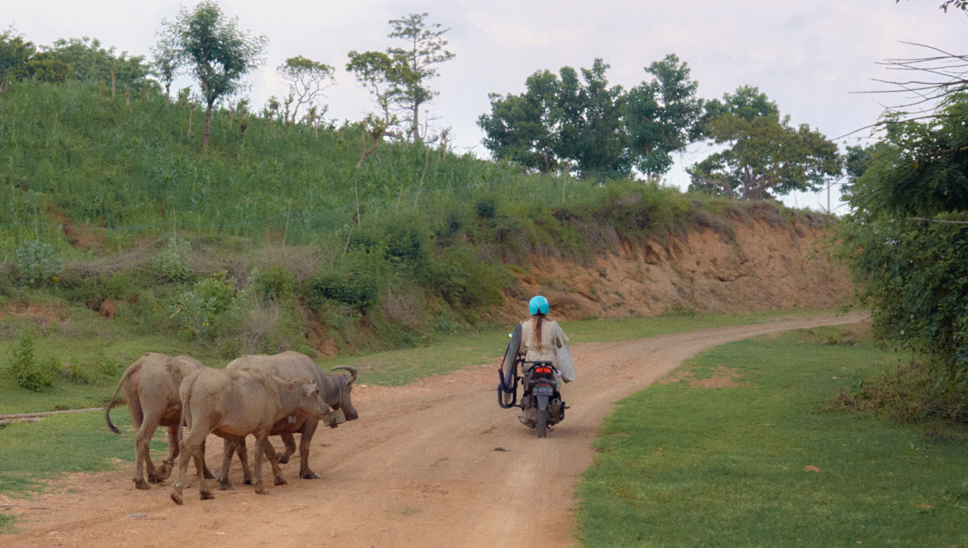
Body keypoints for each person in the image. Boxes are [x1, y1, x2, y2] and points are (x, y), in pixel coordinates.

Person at [519, 295, 569, 393]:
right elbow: (562, 344)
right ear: (546, 309)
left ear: (530, 309)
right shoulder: (553, 325)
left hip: (531, 365)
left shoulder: (525, 326)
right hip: (551, 364)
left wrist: (523, 352)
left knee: (527, 381)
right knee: (555, 382)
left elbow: (519, 347)